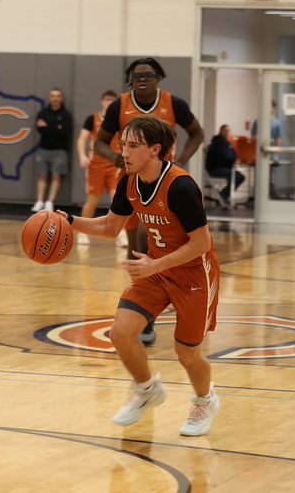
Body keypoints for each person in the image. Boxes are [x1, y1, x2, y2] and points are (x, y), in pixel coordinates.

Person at [57, 115, 220, 436]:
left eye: (133, 146)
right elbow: (110, 226)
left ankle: (205, 400)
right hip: (155, 269)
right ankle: (146, 390)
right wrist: (69, 220)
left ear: (156, 150)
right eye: (122, 145)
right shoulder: (128, 181)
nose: (124, 152)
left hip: (193, 275)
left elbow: (202, 244)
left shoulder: (181, 186)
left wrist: (155, 265)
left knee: (186, 354)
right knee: (120, 333)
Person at [93, 57, 205, 347]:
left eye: (149, 74)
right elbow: (100, 142)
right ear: (130, 80)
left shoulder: (173, 103)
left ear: (159, 78)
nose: (143, 79)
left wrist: (181, 160)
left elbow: (197, 133)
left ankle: (162, 305)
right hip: (132, 180)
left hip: (166, 181)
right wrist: (113, 156)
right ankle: (144, 308)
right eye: (137, 75)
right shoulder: (119, 105)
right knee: (135, 248)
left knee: (152, 238)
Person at [75, 89, 125, 246]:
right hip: (95, 165)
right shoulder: (92, 119)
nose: (109, 102)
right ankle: (82, 233)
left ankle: (122, 233)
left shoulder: (119, 120)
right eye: (107, 99)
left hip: (113, 164)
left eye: (112, 99)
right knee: (92, 201)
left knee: (117, 199)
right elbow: (82, 139)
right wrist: (82, 156)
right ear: (102, 101)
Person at [31, 88, 74, 212]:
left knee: (56, 176)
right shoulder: (43, 113)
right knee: (42, 175)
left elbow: (65, 132)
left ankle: (50, 202)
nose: (55, 98)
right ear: (49, 98)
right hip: (43, 149)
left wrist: (48, 127)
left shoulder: (66, 115)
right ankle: (39, 201)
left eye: (57, 96)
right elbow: (40, 130)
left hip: (60, 151)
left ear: (61, 98)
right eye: (53, 96)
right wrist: (56, 127)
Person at [205, 125, 244, 209]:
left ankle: (223, 194)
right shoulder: (217, 143)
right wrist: (233, 159)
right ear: (220, 132)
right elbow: (224, 158)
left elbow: (233, 156)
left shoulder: (228, 144)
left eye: (228, 131)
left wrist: (235, 159)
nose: (227, 133)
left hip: (225, 168)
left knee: (240, 177)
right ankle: (223, 195)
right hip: (215, 169)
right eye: (225, 131)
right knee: (236, 176)